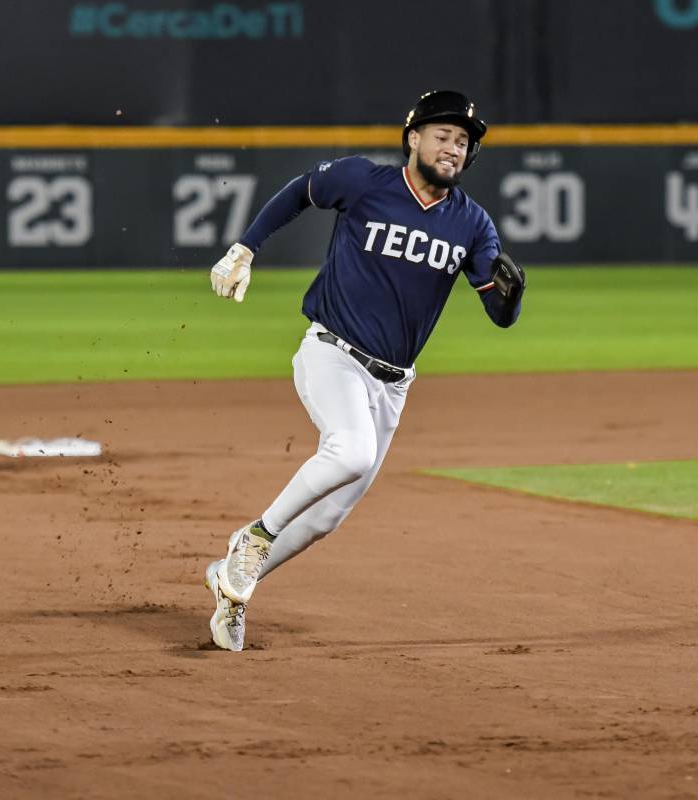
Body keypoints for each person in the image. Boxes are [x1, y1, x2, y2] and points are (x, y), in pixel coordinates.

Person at [203, 90, 526, 651]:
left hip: (393, 383)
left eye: (464, 141)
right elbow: (299, 192)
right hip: (331, 352)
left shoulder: (473, 224)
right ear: (414, 138)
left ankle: (230, 585)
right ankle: (254, 539)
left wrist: (511, 295)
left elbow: (499, 314)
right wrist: (245, 248)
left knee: (326, 517)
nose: (454, 147)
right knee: (349, 452)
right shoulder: (363, 181)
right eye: (443, 135)